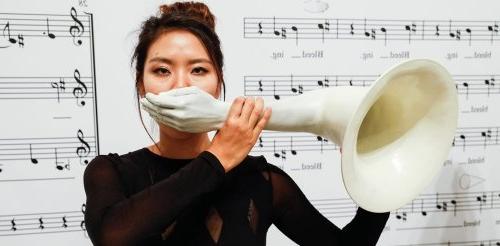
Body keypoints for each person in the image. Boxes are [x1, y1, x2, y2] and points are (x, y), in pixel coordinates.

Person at [83, 1, 390, 245]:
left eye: (199, 70)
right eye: (162, 70)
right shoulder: (110, 173)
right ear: (141, 85)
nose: (180, 85)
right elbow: (113, 237)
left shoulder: (262, 180)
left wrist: (379, 177)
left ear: (219, 85)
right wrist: (219, 157)